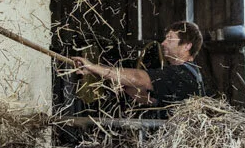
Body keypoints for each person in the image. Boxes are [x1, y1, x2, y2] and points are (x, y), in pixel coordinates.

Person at [72, 21, 204, 114]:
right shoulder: (189, 73)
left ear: (187, 45)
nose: (163, 43)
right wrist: (116, 80)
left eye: (170, 39)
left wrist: (92, 66)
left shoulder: (182, 73)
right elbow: (148, 99)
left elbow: (138, 78)